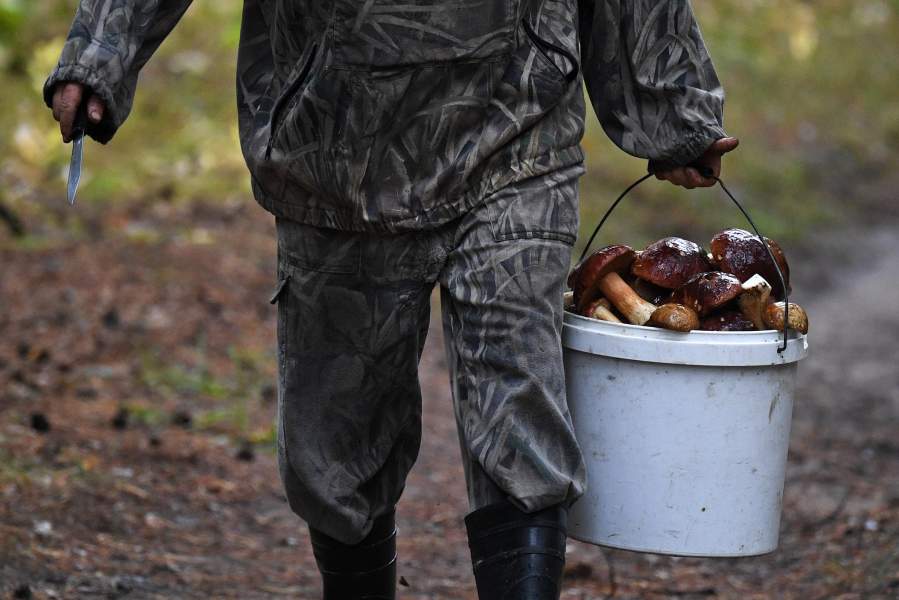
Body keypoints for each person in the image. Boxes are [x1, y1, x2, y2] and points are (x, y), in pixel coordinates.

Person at [46, 1, 737, 598]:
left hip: (518, 129)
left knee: (517, 401)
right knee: (337, 446)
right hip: (334, 152)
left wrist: (674, 109)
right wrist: (100, 54)